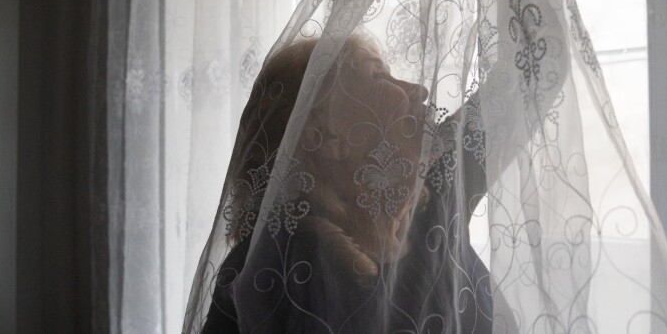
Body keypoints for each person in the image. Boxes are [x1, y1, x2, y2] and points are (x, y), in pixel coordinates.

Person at [200, 36, 508, 333]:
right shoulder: (272, 271)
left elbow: (535, 61)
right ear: (326, 136)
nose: (420, 89)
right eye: (378, 75)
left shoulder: (440, 193)